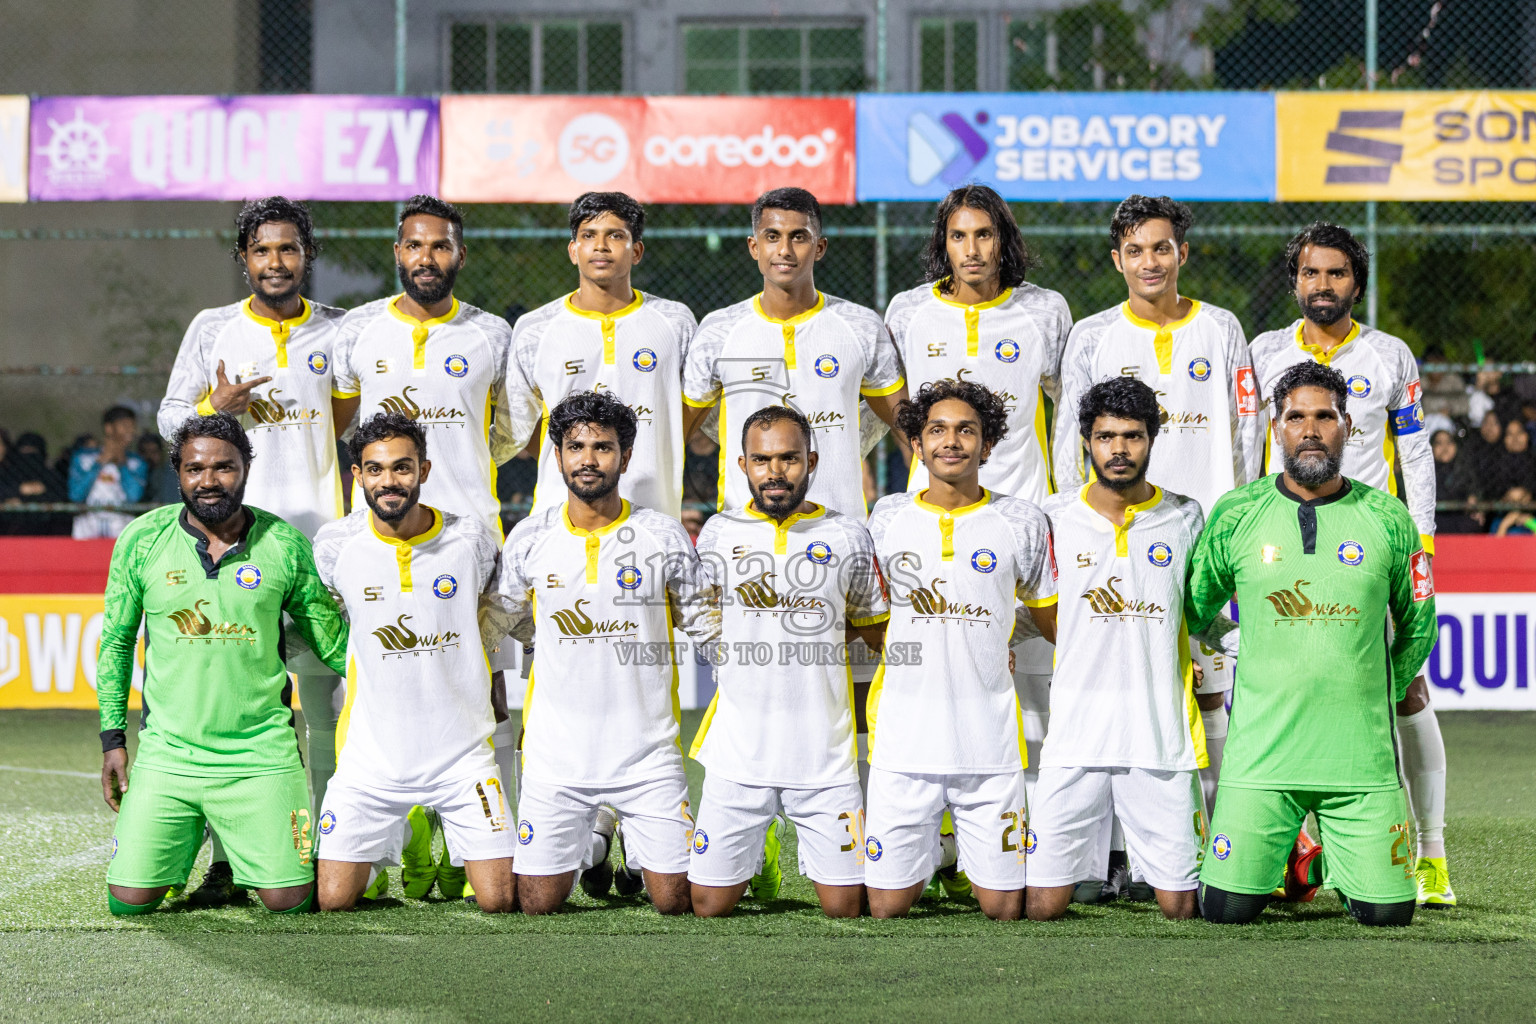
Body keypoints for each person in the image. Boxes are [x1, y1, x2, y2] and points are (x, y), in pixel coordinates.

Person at [1053, 195, 1262, 892]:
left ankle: (1219, 846)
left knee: (1206, 700)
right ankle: (1114, 859)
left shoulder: (1222, 328)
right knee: (1117, 694)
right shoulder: (1091, 335)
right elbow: (1065, 444)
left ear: (1182, 253)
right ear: (1117, 259)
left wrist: (1241, 527)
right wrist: (1069, 522)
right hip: (1111, 543)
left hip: (1197, 544)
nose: (1151, 261)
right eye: (1136, 250)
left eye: (1162, 248)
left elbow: (1248, 434)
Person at [1186, 362, 1437, 927]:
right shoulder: (1237, 514)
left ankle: (1342, 869)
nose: (1310, 429)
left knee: (1387, 915)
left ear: (1349, 425)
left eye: (1325, 416)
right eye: (1296, 416)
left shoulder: (1388, 518)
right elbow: (1195, 608)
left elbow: (1420, 622)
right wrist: (1234, 641)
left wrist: (1380, 691)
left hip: (1360, 763)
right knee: (1226, 910)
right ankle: (1295, 851)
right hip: (1262, 759)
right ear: (1277, 426)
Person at [1249, 222, 1451, 908]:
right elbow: (1252, 451)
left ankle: (1431, 855)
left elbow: (1415, 452)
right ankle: (1296, 851)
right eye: (1311, 273)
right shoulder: (1263, 352)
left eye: (1336, 274)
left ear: (1354, 283)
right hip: (1288, 545)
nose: (1323, 285)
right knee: (1290, 692)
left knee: (1407, 693)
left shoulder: (1390, 354)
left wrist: (1420, 544)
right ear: (1295, 281)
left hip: (1376, 550)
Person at [156, 197, 350, 905]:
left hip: (323, 549)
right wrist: (217, 410)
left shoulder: (341, 330)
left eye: (289, 249)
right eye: (263, 250)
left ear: (307, 255)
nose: (276, 262)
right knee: (232, 716)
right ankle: (227, 862)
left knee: (328, 712)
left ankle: (335, 853)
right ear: (244, 257)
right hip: (237, 549)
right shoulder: (213, 329)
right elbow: (171, 419)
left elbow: (356, 419)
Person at [331, 194, 522, 897]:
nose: (427, 258)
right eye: (415, 246)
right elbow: (346, 422)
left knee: (488, 690)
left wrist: (465, 470)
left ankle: (477, 835)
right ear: (398, 252)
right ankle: (401, 836)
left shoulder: (492, 334)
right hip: (380, 543)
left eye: (440, 247)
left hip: (471, 541)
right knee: (378, 680)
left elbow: (510, 432)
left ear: (459, 255)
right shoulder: (358, 330)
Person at [96, 413, 348, 916]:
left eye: (224, 468)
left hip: (260, 754)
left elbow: (336, 646)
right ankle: (177, 839)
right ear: (178, 473)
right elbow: (117, 643)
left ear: (247, 468)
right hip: (170, 756)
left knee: (290, 901)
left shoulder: (285, 545)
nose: (208, 481)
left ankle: (234, 843)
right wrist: (113, 741)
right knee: (129, 901)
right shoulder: (142, 541)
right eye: (195, 469)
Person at [883, 184, 1071, 811]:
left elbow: (1067, 414)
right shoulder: (908, 310)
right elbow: (894, 411)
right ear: (943, 242)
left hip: (1025, 523)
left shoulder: (1044, 312)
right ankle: (936, 840)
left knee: (1042, 689)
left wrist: (1065, 509)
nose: (972, 249)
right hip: (934, 527)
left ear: (1003, 241)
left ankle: (1035, 829)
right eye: (959, 236)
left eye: (984, 234)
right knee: (939, 688)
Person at [495, 391, 715, 915]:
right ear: (557, 456)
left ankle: (636, 852)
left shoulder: (661, 535)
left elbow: (704, 622)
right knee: (535, 904)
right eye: (575, 447)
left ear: (626, 456)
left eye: (602, 447)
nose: (588, 459)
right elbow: (498, 620)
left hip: (647, 754)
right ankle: (595, 845)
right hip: (556, 756)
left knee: (676, 902)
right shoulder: (530, 538)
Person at [1028, 377, 1236, 922]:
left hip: (1160, 740)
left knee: (1181, 906)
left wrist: (1258, 646)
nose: (1118, 450)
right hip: (1075, 739)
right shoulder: (1050, 518)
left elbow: (1205, 612)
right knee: (1039, 905)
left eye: (1133, 437)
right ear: (1085, 441)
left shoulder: (1187, 516)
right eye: (1105, 437)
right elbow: (1027, 609)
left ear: (1153, 438)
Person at [862, 379, 1057, 921]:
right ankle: (942, 852)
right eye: (937, 430)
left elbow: (1046, 614)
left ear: (988, 445)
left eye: (966, 430)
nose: (952, 442)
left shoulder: (1021, 521)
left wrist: (991, 638)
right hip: (905, 739)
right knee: (885, 908)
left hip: (986, 745)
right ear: (917, 445)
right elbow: (873, 617)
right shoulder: (887, 517)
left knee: (1005, 909)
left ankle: (948, 851)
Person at [688, 406, 888, 917]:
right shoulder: (718, 531)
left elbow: (872, 624)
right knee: (708, 905)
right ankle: (760, 853)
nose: (775, 472)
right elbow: (701, 609)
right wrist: (734, 652)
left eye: (788, 459)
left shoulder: (847, 534)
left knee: (845, 908)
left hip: (824, 755)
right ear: (742, 465)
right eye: (762, 460)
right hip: (739, 751)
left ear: (812, 460)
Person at [312, 413, 516, 912]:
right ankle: (411, 833)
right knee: (333, 901)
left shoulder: (472, 541)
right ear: (357, 475)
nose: (389, 481)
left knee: (500, 901)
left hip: (461, 756)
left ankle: (445, 829)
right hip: (371, 760)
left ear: (424, 470)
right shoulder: (334, 546)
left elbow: (498, 616)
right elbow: (331, 622)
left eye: (402, 468)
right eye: (375, 469)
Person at [682, 187, 907, 518]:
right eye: (772, 236)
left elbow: (909, 429)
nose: (784, 250)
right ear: (754, 246)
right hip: (743, 531)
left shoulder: (860, 326)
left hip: (839, 527)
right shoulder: (718, 331)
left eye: (798, 237)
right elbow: (672, 437)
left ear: (820, 247)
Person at [510, 191, 697, 520]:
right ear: (573, 250)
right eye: (588, 235)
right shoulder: (535, 329)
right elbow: (521, 432)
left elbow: (691, 412)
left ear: (636, 250)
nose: (601, 246)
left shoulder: (675, 322)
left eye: (615, 235)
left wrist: (653, 446)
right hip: (560, 516)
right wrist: (580, 457)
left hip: (653, 512)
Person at [1431, 430, 1482, 535]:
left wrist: (1473, 499)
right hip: (1434, 518)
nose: (1445, 448)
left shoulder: (1465, 470)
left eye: (1449, 442)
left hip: (1459, 518)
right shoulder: (1424, 472)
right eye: (1439, 443)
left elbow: (1475, 492)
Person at [137, 432, 180, 505]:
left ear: (161, 453)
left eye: (153, 452)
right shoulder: (135, 472)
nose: (149, 456)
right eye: (144, 452)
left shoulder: (170, 475)